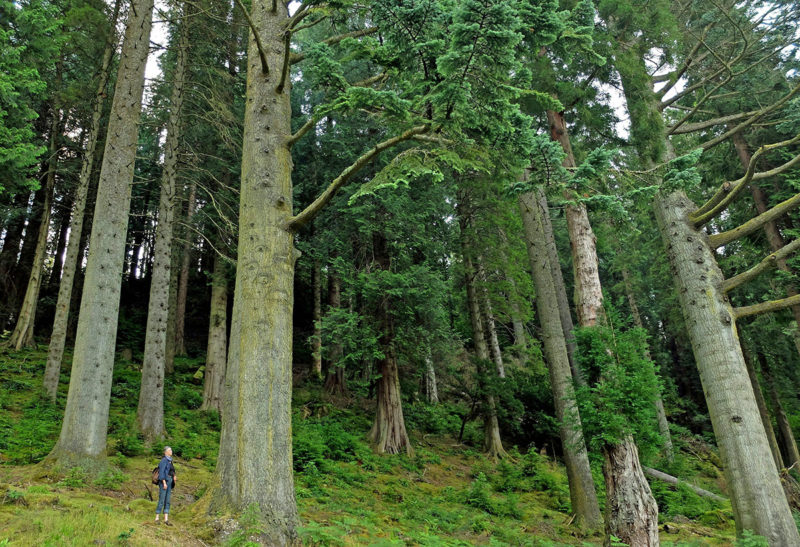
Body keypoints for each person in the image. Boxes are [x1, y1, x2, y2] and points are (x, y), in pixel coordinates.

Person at [155, 446, 176, 525]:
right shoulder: (164, 460)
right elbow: (162, 472)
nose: (171, 451)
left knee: (167, 500)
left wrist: (174, 476)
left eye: (171, 449)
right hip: (164, 481)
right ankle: (157, 518)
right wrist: (164, 483)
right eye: (170, 450)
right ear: (165, 452)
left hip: (170, 481)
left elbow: (172, 470)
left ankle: (166, 519)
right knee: (162, 500)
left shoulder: (170, 461)